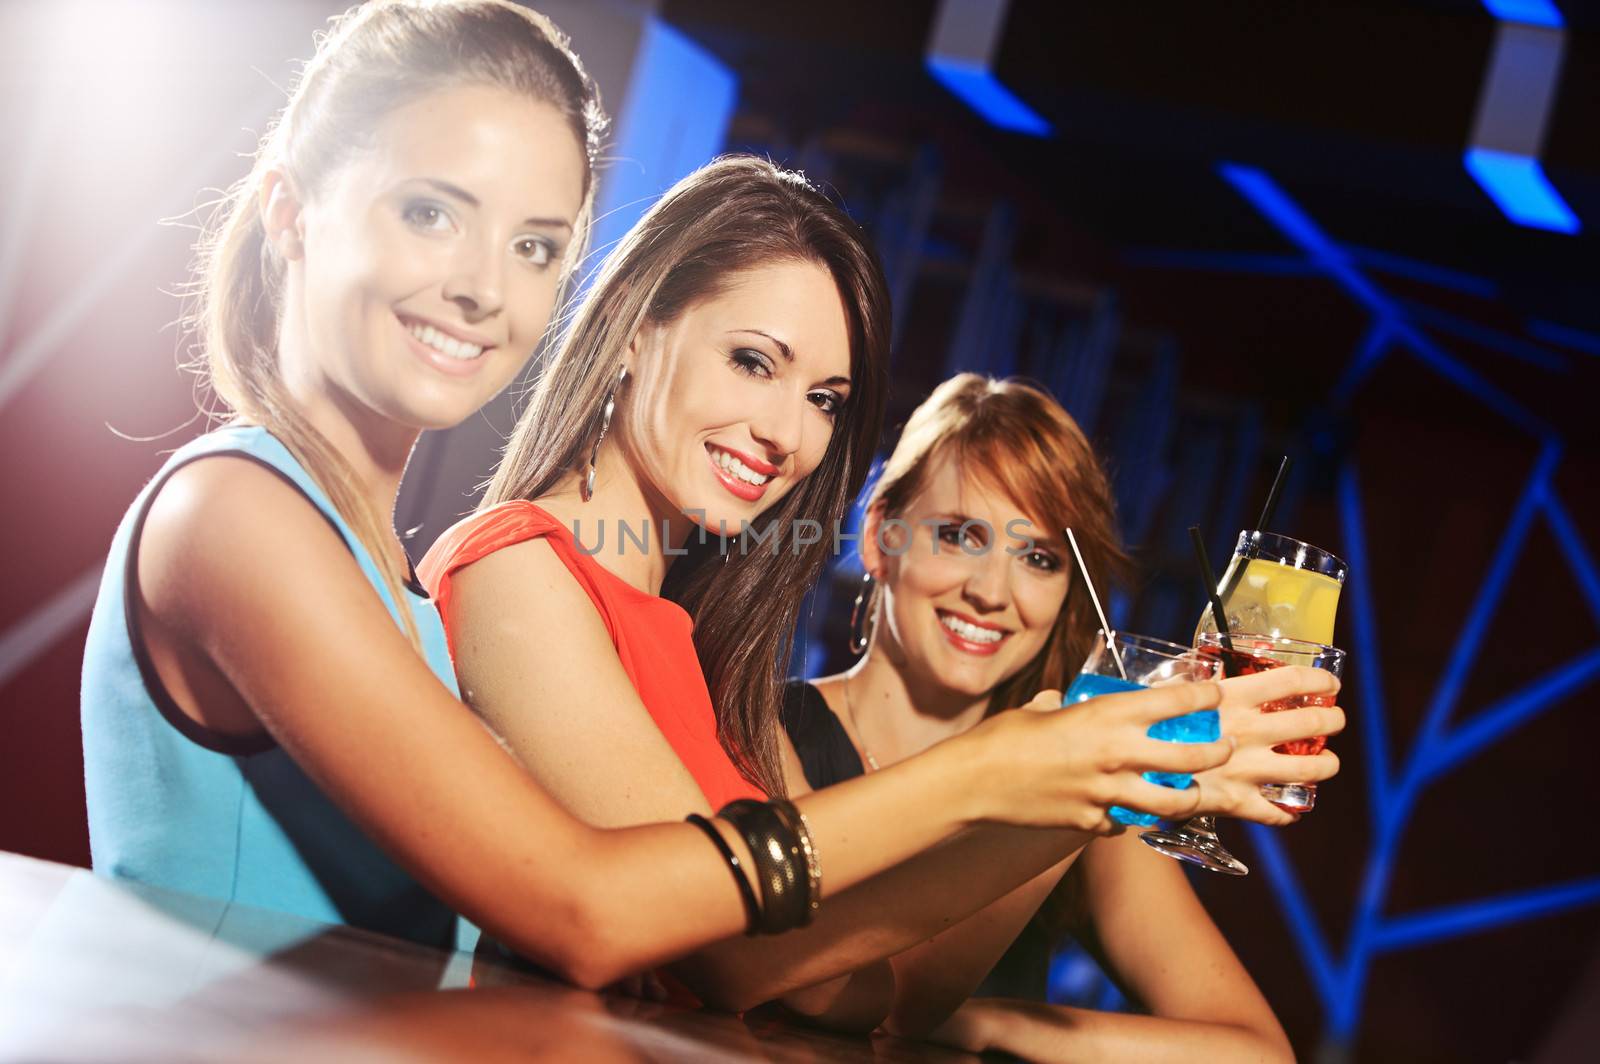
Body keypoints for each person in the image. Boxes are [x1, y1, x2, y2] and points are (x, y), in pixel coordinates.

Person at [79, 0, 1257, 993]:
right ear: (292, 211)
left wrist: (1078, 781)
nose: (485, 288)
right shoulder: (236, 518)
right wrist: (1014, 769)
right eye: (431, 211)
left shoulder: (374, 558)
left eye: (538, 246)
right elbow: (593, 910)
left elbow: (797, 971)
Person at [421, 157, 1342, 1024]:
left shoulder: (685, 635)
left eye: (825, 399)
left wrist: (1099, 786)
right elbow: (704, 950)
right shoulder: (517, 570)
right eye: (753, 361)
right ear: (632, 327)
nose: (786, 430)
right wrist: (1006, 770)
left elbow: (837, 987)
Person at [784, 373, 1332, 1059]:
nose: (991, 592)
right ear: (878, 536)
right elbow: (807, 986)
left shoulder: (1086, 782)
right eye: (959, 535)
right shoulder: (770, 730)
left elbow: (1256, 1052)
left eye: (1038, 558)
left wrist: (994, 1025)